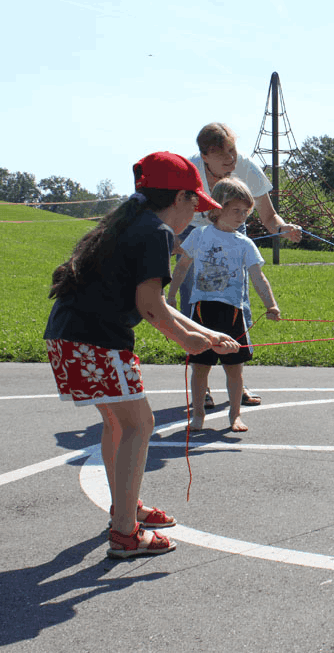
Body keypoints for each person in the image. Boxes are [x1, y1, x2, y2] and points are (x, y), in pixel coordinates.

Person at [44, 151, 240, 558]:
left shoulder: (128, 222)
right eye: (197, 206)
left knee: (118, 425)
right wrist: (188, 343)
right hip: (98, 341)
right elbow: (150, 307)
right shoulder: (156, 233)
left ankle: (126, 510)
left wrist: (207, 333)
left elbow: (156, 304)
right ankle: (125, 533)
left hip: (70, 338)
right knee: (140, 424)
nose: (197, 215)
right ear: (181, 197)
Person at [180, 122, 302, 409]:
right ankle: (203, 386)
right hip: (193, 234)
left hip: (234, 233)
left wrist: (284, 229)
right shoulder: (188, 171)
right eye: (222, 154)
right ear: (204, 155)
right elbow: (171, 213)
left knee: (238, 304)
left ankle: (237, 381)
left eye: (232, 151)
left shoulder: (246, 168)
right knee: (194, 307)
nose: (230, 159)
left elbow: (270, 217)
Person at [168, 177, 280, 432]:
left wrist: (271, 305)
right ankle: (198, 414)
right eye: (236, 210)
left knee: (234, 369)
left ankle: (235, 415)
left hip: (232, 313)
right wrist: (172, 295)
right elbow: (182, 266)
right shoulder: (199, 235)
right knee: (200, 368)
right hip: (201, 311)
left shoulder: (244, 243)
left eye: (246, 212)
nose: (242, 216)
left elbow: (258, 277)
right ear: (217, 209)